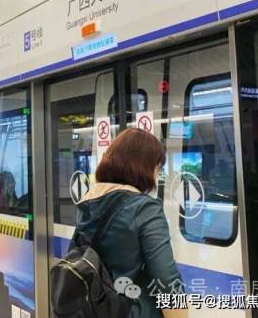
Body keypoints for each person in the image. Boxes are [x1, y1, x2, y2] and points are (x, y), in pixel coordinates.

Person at [73, 128, 186, 318]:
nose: (157, 174)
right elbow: (167, 281)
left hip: (91, 309)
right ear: (145, 167)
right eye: (157, 167)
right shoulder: (145, 209)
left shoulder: (88, 201)